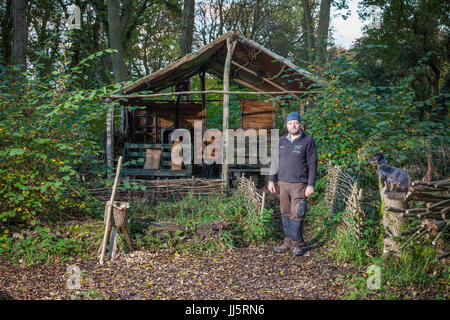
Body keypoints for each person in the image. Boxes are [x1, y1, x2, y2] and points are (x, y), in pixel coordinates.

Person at [268, 112, 318, 256]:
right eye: (290, 123)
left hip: (299, 184)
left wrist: (310, 184)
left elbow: (313, 164)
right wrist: (271, 180)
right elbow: (275, 161)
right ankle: (287, 242)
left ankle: (297, 244)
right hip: (283, 183)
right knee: (285, 212)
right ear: (287, 125)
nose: (293, 125)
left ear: (300, 124)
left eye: (296, 123)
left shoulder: (308, 141)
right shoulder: (281, 141)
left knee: (297, 213)